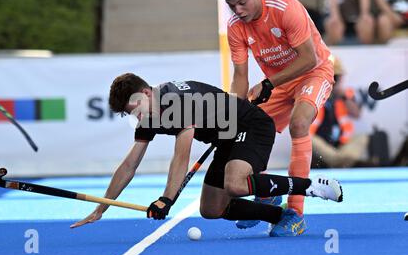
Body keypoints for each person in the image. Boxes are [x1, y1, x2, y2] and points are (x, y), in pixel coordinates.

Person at [71, 74, 343, 235]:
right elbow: (129, 165)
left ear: (145, 92)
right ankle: (279, 214)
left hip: (252, 126)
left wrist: (166, 199)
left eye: (137, 108)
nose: (138, 117)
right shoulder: (148, 114)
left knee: (235, 184)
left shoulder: (175, 102)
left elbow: (182, 155)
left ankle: (311, 188)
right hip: (226, 138)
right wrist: (101, 208)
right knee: (212, 210)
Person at [214, 0, 335, 236]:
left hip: (313, 73)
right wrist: (235, 111)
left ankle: (296, 213)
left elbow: (309, 59)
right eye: (232, 6)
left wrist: (268, 83)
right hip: (279, 83)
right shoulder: (235, 26)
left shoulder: (284, 6)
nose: (239, 11)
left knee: (299, 123)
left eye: (243, 2)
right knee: (250, 126)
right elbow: (240, 76)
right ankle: (265, 194)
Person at [310, 56, 369, 168]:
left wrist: (343, 96)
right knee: (309, 139)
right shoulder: (315, 91)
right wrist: (325, 91)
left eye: (336, 77)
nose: (334, 81)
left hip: (341, 142)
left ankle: (338, 160)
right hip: (322, 141)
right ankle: (342, 162)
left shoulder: (346, 94)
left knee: (362, 137)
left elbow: (356, 114)